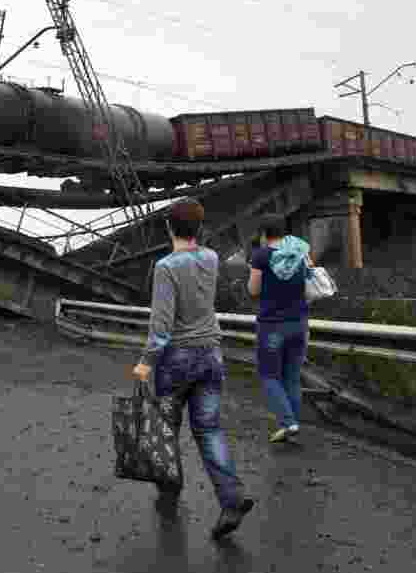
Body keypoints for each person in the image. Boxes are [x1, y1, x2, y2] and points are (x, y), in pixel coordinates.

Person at [129, 198, 254, 540]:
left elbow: (162, 325)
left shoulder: (167, 267)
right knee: (209, 430)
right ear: (200, 229)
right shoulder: (211, 258)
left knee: (165, 429)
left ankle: (169, 493)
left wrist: (145, 363)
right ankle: (232, 498)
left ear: (169, 228)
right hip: (211, 355)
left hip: (177, 360)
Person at [247, 214, 313, 444]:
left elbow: (253, 290)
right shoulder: (300, 252)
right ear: (284, 233)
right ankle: (291, 425)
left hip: (272, 325)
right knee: (292, 378)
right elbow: (308, 283)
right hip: (300, 323)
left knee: (269, 375)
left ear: (265, 234)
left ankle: (288, 422)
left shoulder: (262, 255)